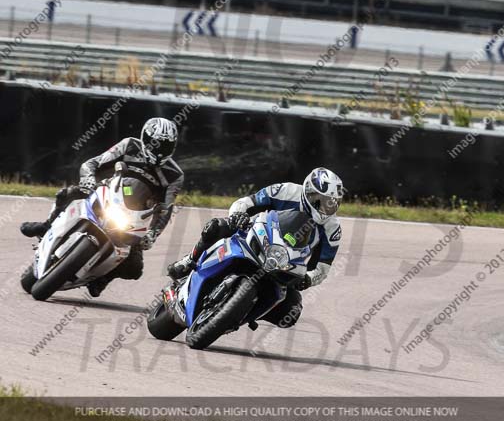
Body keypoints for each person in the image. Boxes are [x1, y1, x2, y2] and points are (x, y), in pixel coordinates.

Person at [20, 117, 183, 297]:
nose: (159, 151)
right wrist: (88, 179)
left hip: (135, 218)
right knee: (68, 194)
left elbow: (166, 209)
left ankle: (102, 278)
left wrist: (153, 234)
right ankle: (46, 226)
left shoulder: (174, 175)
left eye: (165, 147)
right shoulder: (129, 145)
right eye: (156, 144)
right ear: (146, 138)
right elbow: (92, 163)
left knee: (134, 268)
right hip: (107, 193)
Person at [168, 167, 343, 328]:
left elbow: (323, 267)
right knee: (216, 227)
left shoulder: (333, 229)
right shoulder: (286, 191)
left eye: (332, 203)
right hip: (256, 233)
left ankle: (242, 312)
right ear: (308, 192)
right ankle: (190, 260)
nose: (325, 207)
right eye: (320, 200)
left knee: (291, 312)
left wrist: (309, 279)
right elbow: (247, 202)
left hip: (285, 264)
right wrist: (238, 215)